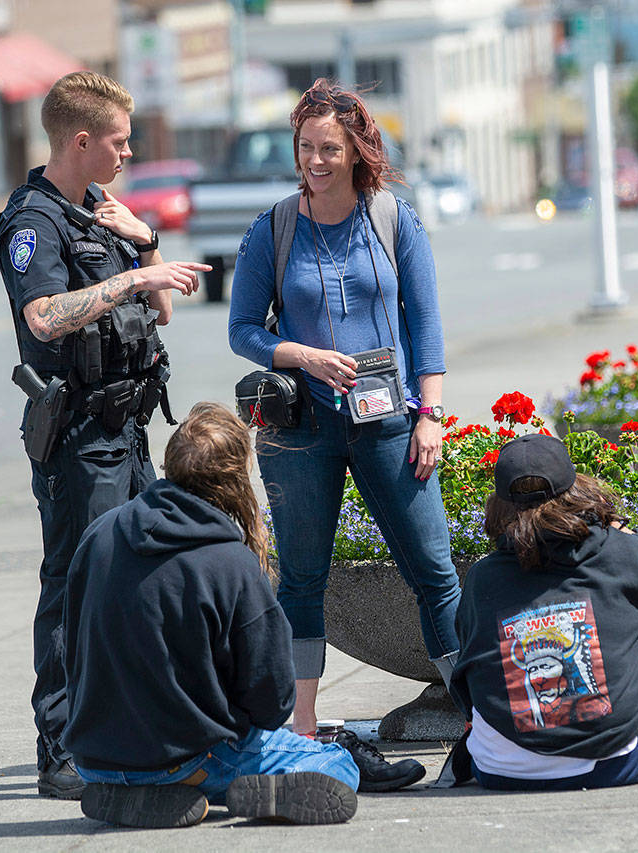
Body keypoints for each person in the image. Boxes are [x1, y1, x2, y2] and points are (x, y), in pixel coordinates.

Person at [228, 78, 461, 792]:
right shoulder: (273, 228)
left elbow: (426, 326)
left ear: (359, 152)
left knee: (434, 567)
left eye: (331, 149)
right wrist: (299, 354)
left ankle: (476, 708)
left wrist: (431, 416)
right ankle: (302, 727)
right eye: (307, 149)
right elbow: (242, 329)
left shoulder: (394, 219)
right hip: (302, 429)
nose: (317, 162)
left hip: (390, 421)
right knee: (300, 577)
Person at [0, 70, 210, 798]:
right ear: (80, 141)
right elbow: (45, 317)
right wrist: (122, 281)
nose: (128, 152)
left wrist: (145, 244)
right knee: (74, 585)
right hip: (80, 435)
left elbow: (165, 312)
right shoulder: (35, 221)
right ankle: (59, 746)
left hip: (130, 427)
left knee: (146, 575)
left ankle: (136, 722)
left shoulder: (103, 210)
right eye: (118, 141)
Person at [62, 402, 359, 828]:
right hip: (183, 758)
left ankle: (138, 792)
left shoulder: (101, 532)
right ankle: (203, 787)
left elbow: (70, 646)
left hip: (92, 759)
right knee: (338, 763)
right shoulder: (230, 562)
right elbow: (273, 702)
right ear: (235, 478)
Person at [448, 434, 638, 790]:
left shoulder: (482, 577)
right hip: (614, 763)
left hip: (500, 768)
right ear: (576, 490)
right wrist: (625, 534)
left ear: (499, 505)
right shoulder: (612, 551)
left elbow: (469, 662)